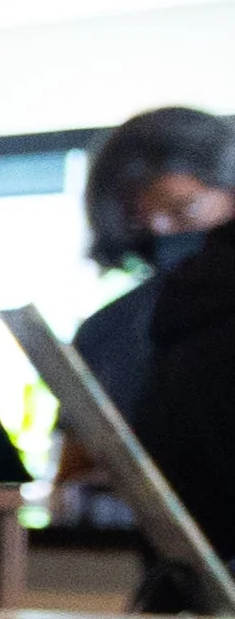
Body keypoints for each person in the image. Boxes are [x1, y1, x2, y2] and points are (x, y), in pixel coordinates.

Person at [68, 106, 231, 421]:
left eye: (184, 208)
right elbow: (78, 458)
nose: (161, 230)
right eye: (138, 220)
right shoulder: (106, 333)